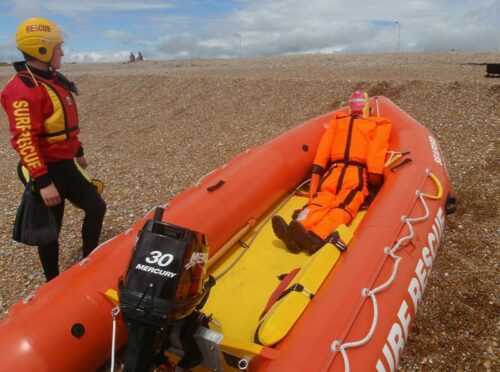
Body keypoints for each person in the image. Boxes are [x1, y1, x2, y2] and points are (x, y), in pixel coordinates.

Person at [1, 17, 107, 281]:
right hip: (44, 169)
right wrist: (43, 181)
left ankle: (89, 260)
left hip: (65, 163)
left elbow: (64, 125)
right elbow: (24, 139)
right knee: (50, 230)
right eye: (58, 47)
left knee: (96, 207)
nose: (62, 52)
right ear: (41, 50)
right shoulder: (23, 90)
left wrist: (79, 152)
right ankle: (53, 281)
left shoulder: (53, 79)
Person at [272, 91, 392, 254]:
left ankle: (299, 228)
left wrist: (318, 170)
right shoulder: (378, 124)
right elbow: (376, 151)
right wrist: (375, 179)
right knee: (343, 206)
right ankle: (312, 237)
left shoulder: (339, 120)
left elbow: (324, 147)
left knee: (320, 201)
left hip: (333, 171)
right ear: (367, 109)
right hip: (355, 174)